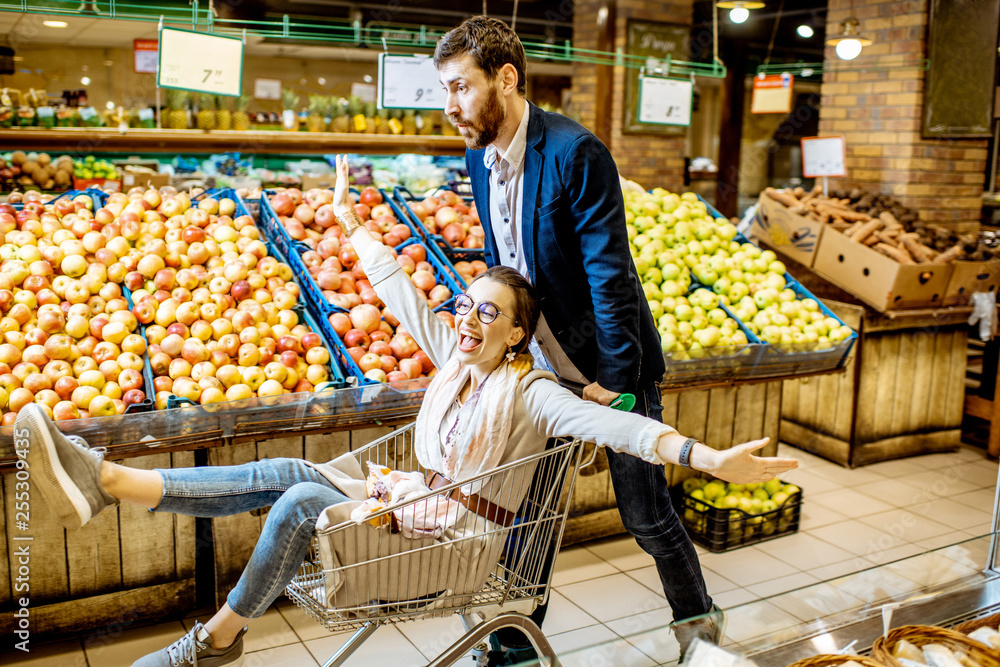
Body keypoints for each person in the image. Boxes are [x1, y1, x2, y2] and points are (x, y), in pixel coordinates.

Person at [19, 156, 796, 667]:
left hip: (460, 544)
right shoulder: (458, 357)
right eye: (467, 305)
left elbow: (617, 427)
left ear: (520, 333)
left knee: (296, 494)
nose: (468, 319)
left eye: (489, 314)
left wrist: (703, 456)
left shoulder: (533, 393)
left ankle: (208, 638)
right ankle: (106, 479)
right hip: (414, 516)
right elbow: (397, 290)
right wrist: (349, 217)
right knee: (292, 474)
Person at [433, 15, 730, 660]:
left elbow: (611, 283)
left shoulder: (575, 153)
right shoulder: (478, 159)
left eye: (460, 87)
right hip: (534, 373)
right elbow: (506, 265)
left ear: (505, 79)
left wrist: (616, 394)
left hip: (607, 366)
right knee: (526, 521)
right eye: (445, 90)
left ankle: (700, 629)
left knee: (646, 514)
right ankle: (513, 647)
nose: (449, 106)